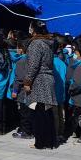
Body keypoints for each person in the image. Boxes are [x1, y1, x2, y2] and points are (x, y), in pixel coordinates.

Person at [22, 22, 58, 150]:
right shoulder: (48, 43)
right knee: (46, 112)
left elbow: (33, 65)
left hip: (39, 80)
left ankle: (41, 142)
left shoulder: (36, 43)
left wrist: (27, 81)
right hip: (47, 79)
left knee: (39, 113)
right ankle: (49, 141)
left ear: (34, 30)